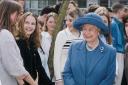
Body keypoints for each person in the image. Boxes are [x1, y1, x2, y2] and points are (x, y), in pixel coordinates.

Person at [63, 13, 116, 85]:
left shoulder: (110, 51)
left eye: (90, 29)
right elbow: (67, 73)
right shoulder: (74, 47)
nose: (86, 33)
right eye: (84, 29)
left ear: (98, 31)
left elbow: (109, 79)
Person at [0, 1, 36, 85]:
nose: (20, 17)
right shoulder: (5, 34)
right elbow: (15, 67)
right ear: (9, 13)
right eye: (18, 14)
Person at [16, 12, 54, 85]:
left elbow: (39, 68)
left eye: (33, 24)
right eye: (27, 23)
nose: (30, 26)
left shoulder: (32, 43)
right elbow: (22, 70)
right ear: (21, 23)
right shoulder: (19, 42)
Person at [54, 12, 82, 85]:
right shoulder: (62, 34)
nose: (67, 23)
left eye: (70, 20)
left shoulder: (83, 35)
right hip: (64, 75)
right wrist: (58, 79)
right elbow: (56, 58)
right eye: (66, 20)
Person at [38, 12, 58, 79]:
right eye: (50, 22)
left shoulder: (60, 37)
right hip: (44, 70)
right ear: (46, 23)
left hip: (57, 72)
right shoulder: (42, 36)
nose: (53, 24)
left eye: (55, 22)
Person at [111, 3, 126, 85]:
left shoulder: (118, 23)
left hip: (120, 52)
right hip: (117, 52)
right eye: (124, 11)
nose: (124, 13)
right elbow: (115, 41)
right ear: (119, 11)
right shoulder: (114, 24)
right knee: (117, 77)